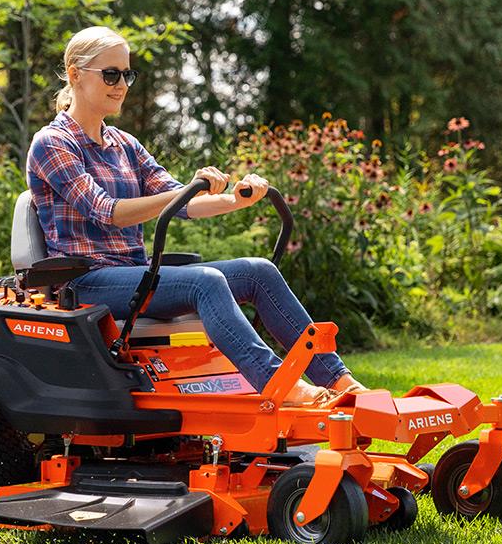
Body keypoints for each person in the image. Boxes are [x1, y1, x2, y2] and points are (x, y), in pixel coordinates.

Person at [26, 25, 365, 405]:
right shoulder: (53, 143)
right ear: (75, 74)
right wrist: (183, 190)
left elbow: (182, 203)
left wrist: (236, 199)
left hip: (135, 275)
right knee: (204, 281)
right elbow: (109, 212)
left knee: (259, 271)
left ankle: (338, 381)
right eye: (110, 74)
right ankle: (280, 385)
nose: (121, 84)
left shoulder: (125, 145)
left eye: (127, 74)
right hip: (87, 281)